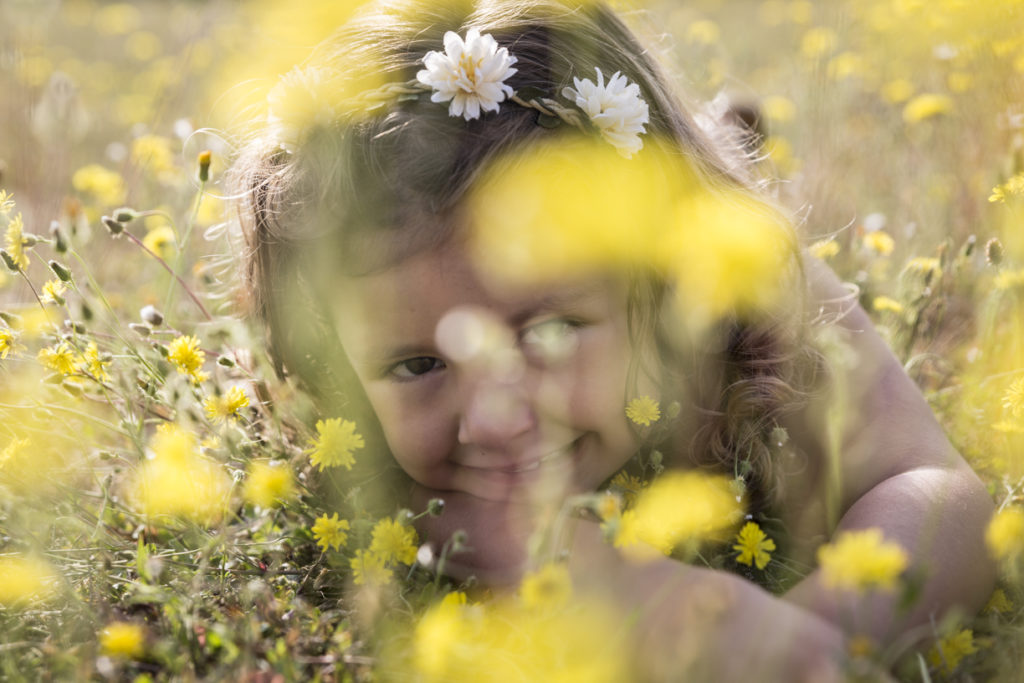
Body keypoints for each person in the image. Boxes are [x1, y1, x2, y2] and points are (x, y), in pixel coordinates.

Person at [230, 0, 995, 677]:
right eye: (418, 363)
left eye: (553, 329)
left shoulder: (739, 278)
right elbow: (450, 521)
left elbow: (936, 491)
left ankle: (726, 137)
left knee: (737, 180)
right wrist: (612, 575)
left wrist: (809, 638)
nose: (494, 418)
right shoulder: (340, 408)